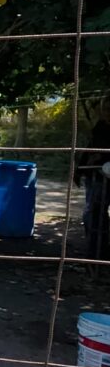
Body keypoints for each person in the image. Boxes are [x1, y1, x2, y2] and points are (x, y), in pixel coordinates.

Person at [76, 94, 110, 258]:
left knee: (95, 213)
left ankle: (99, 252)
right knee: (93, 213)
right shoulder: (99, 127)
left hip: (104, 175)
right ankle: (97, 251)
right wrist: (80, 169)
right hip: (96, 176)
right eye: (105, 108)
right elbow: (90, 150)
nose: (106, 112)